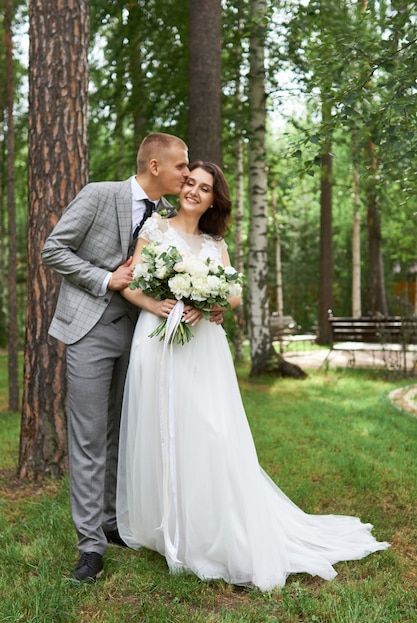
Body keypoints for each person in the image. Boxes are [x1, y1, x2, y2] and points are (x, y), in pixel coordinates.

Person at [116, 161, 389, 592]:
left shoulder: (213, 242)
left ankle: (214, 526)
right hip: (158, 338)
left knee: (211, 431)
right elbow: (131, 283)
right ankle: (169, 526)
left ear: (213, 199)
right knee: (163, 428)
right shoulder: (154, 229)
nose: (193, 191)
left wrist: (208, 303)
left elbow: (236, 293)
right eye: (189, 182)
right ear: (180, 186)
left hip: (202, 346)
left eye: (204, 188)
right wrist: (157, 306)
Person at [41, 133, 190, 582]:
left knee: (121, 433)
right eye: (181, 166)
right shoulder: (98, 194)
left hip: (141, 335)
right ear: (155, 166)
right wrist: (106, 278)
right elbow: (54, 249)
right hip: (89, 327)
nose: (186, 173)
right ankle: (90, 548)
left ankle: (111, 523)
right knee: (88, 438)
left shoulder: (166, 216)